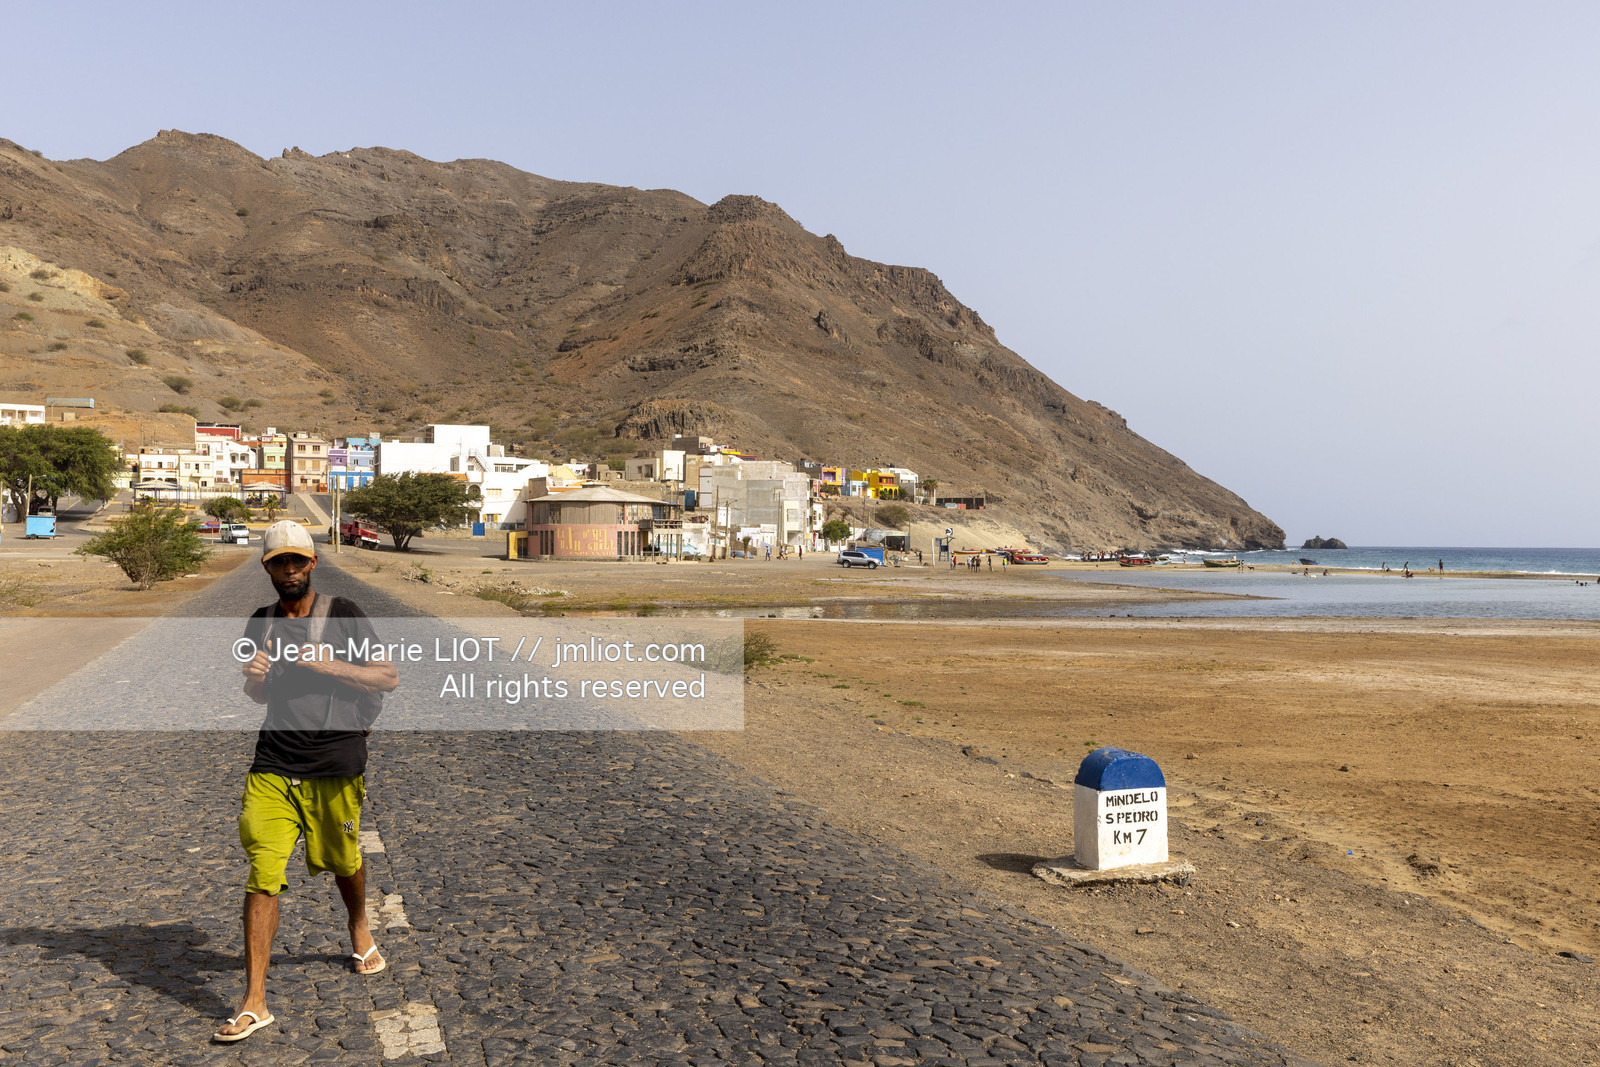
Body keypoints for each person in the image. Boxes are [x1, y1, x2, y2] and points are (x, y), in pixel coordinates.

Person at [214, 521, 400, 1043]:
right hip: (272, 763)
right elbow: (256, 697)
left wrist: (331, 667)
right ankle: (255, 1001)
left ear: (312, 564)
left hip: (335, 763)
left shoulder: (344, 615)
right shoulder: (261, 621)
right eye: (280, 562)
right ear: (267, 568)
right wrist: (253, 679)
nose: (290, 570)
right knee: (263, 869)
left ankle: (359, 925)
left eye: (298, 561)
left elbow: (388, 676)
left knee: (344, 860)